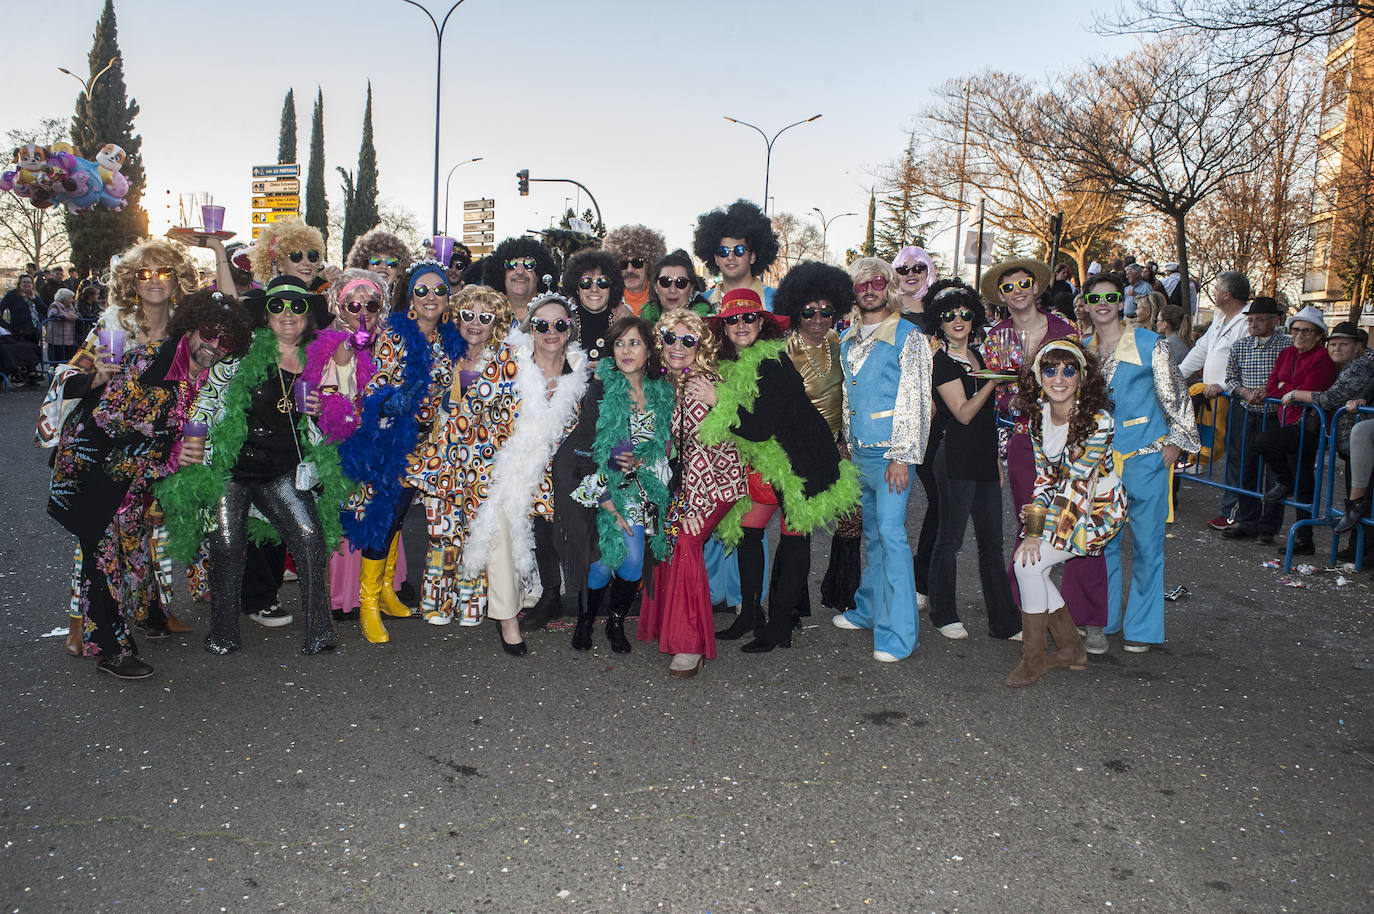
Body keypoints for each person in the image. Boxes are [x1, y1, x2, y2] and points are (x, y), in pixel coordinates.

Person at [48, 290, 251, 678]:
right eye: (209, 332)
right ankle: (111, 650)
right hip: (95, 466)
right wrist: (172, 453)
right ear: (191, 325)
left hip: (134, 473)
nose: (214, 345)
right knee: (104, 557)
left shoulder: (205, 374)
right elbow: (106, 421)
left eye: (226, 341)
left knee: (136, 547)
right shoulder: (150, 360)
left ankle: (150, 616)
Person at [159, 277, 350, 656]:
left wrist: (321, 409)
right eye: (279, 306)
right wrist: (188, 444)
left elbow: (341, 408)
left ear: (308, 315)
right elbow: (204, 402)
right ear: (267, 314)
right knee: (227, 546)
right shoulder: (241, 356)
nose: (288, 315)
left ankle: (319, 632)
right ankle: (223, 633)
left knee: (310, 540)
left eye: (298, 306)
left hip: (281, 471)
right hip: (233, 470)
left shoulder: (318, 359)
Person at [40, 238, 200, 653]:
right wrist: (95, 378)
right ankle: (86, 627)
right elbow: (67, 378)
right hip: (99, 446)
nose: (154, 281)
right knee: (99, 537)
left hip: (147, 453)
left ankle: (148, 613)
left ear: (177, 278)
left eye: (163, 271)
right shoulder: (115, 325)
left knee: (136, 530)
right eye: (144, 273)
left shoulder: (185, 331)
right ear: (131, 280)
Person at [698, 287, 859, 653]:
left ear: (762, 324)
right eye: (732, 319)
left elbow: (756, 428)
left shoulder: (773, 362)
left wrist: (716, 400)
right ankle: (750, 614)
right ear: (723, 327)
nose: (741, 324)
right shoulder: (733, 364)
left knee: (794, 540)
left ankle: (781, 625)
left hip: (803, 462)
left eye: (749, 317)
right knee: (748, 531)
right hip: (768, 461)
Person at [340, 259, 467, 643]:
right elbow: (371, 384)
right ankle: (368, 605)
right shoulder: (394, 333)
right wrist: (392, 401)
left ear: (448, 297)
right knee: (383, 515)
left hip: (427, 442)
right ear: (410, 296)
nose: (431, 297)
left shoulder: (451, 338)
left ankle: (387, 592)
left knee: (397, 518)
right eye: (422, 290)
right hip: (389, 438)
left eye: (439, 290)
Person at [457, 292, 592, 653]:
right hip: (506, 467)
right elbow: (474, 411)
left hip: (556, 476)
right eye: (542, 324)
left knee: (554, 539)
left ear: (570, 329)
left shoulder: (582, 371)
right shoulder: (509, 361)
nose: (551, 332)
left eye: (559, 324)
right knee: (499, 533)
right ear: (530, 328)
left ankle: (560, 599)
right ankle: (506, 621)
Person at [980, 257, 1107, 633]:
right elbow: (992, 394)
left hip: (1070, 434)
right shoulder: (995, 337)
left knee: (1082, 526)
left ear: (1036, 287)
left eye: (1024, 284)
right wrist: (1013, 404)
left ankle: (1087, 619)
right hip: (1022, 440)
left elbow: (1084, 377)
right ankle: (1030, 610)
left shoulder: (1064, 328)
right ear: (1001, 296)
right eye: (1008, 287)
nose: (1018, 292)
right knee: (1030, 521)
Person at [1083, 272, 1199, 653]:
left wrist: (1175, 446)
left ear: (1122, 302)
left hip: (1147, 458)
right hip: (1101, 462)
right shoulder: (1083, 350)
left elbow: (1177, 397)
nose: (1103, 303)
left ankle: (1143, 629)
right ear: (1084, 303)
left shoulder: (1152, 345)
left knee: (1148, 547)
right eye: (1094, 297)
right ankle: (1105, 620)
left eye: (1111, 296)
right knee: (1104, 545)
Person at [831, 257, 934, 662]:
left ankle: (899, 634)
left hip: (891, 456)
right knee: (871, 535)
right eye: (861, 285)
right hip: (858, 454)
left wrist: (903, 457)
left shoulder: (909, 337)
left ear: (889, 287)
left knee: (891, 537)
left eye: (876, 282)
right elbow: (847, 397)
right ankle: (869, 609)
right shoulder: (849, 338)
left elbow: (916, 401)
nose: (869, 290)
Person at [1008, 339, 1124, 686]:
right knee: (1034, 568)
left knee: (1026, 563)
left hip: (1098, 511)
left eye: (1069, 370)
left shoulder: (1098, 421)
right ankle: (1071, 648)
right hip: (1066, 503)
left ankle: (1034, 659)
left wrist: (1033, 532)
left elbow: (1077, 480)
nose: (1059, 378)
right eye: (1050, 369)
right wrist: (1034, 526)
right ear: (1038, 376)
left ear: (1082, 377)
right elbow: (1045, 478)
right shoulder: (1039, 419)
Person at [638, 308, 746, 678]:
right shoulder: (667, 381)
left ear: (700, 345)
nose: (678, 347)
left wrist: (693, 506)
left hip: (716, 483)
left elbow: (704, 451)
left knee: (685, 540)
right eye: (670, 339)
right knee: (662, 536)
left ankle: (689, 644)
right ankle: (665, 626)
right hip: (684, 483)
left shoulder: (701, 383)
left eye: (688, 340)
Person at [407, 285, 519, 627]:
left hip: (482, 462)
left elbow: (512, 412)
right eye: (468, 315)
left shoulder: (506, 360)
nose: (474, 324)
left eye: (484, 318)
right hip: (440, 458)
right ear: (456, 317)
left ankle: (471, 605)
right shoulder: (439, 352)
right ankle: (436, 604)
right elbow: (421, 405)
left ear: (495, 323)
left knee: (476, 534)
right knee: (442, 533)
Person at [301, 268, 409, 622]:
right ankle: (346, 596)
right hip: (350, 444)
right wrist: (351, 344)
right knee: (351, 514)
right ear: (339, 307)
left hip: (388, 442)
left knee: (387, 512)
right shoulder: (335, 344)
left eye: (371, 304)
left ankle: (384, 589)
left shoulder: (394, 342)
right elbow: (336, 388)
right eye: (352, 305)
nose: (363, 312)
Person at [922, 279, 1021, 641]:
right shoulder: (941, 362)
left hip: (982, 457)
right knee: (950, 539)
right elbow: (963, 413)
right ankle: (943, 612)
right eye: (949, 316)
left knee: (991, 541)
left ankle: (1004, 622)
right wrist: (992, 383)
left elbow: (986, 419)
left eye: (965, 314)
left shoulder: (979, 355)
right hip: (955, 459)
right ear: (940, 322)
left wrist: (996, 457)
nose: (958, 321)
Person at [570, 316, 675, 651]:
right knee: (602, 565)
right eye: (619, 343)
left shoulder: (659, 391)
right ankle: (585, 620)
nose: (626, 350)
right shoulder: (600, 389)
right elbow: (585, 454)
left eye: (634, 343)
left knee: (631, 564)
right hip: (595, 486)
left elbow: (652, 444)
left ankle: (616, 621)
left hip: (636, 488)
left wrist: (643, 458)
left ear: (649, 350)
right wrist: (606, 503)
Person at [772, 262, 861, 614]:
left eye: (826, 310)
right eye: (809, 311)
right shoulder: (783, 349)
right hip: (798, 448)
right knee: (799, 528)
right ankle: (791, 606)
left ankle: (842, 593)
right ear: (796, 310)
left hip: (838, 443)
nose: (818, 318)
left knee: (851, 521)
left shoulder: (841, 344)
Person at [1228, 306, 1338, 554]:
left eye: (1307, 331)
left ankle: (1288, 493)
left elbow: (1311, 389)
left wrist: (1289, 388)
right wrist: (1288, 388)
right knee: (1302, 480)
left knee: (1266, 444)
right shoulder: (1287, 353)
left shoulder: (1322, 358)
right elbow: (1274, 386)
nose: (1300, 335)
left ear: (1319, 335)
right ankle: (1303, 538)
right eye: (1296, 330)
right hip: (1287, 419)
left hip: (1309, 426)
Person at [1261, 317, 1373, 554]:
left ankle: (1362, 550)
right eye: (1333, 344)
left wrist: (1294, 393)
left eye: (1343, 344)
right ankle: (1358, 548)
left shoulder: (1358, 367)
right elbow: (1273, 387)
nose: (1337, 349)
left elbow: (1329, 397)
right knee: (1359, 492)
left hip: (1356, 439)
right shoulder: (1342, 366)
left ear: (1357, 347)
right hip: (1345, 440)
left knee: (1363, 494)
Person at [1217, 297, 1292, 546]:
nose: (1253, 324)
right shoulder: (1240, 346)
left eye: (1259, 319)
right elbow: (1230, 378)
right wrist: (1244, 392)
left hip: (1276, 416)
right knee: (1246, 468)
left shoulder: (1287, 346)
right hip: (1249, 412)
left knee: (1274, 475)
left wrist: (1270, 391)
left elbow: (1291, 379)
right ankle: (1248, 521)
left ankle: (1268, 527)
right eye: (1250, 320)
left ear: (1275, 320)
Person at [693, 200, 779, 311]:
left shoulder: (776, 301)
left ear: (752, 256)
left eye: (739, 250)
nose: (730, 257)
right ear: (716, 258)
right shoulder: (703, 304)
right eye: (723, 251)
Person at [560, 248, 631, 359]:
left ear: (611, 287)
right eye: (585, 282)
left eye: (603, 282)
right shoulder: (563, 324)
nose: (594, 289)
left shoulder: (625, 323)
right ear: (576, 288)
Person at [483, 237, 556, 324]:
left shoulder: (555, 312)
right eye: (512, 264)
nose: (520, 272)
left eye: (529, 264)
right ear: (502, 274)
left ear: (539, 274)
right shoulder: (486, 313)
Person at [601, 224, 667, 316]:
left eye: (637, 263)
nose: (629, 270)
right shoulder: (605, 300)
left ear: (649, 265)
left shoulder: (664, 298)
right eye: (623, 264)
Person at [642, 249, 708, 325]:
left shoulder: (709, 325)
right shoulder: (642, 328)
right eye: (665, 281)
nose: (673, 290)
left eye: (681, 282)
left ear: (691, 289)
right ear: (656, 287)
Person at [345, 227, 413, 287]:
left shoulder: (409, 300)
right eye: (375, 260)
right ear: (364, 266)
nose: (383, 266)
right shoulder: (350, 298)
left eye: (392, 262)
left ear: (398, 271)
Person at [892, 245, 935, 320]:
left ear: (928, 272)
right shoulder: (884, 313)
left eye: (918, 268)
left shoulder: (940, 314)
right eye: (903, 270)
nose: (910, 274)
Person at [46, 287, 81, 362]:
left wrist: (74, 316)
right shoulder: (55, 306)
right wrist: (67, 317)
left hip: (69, 338)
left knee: (68, 357)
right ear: (63, 298)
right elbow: (52, 315)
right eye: (70, 298)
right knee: (57, 358)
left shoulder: (71, 307)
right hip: (56, 337)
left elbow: (77, 315)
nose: (72, 300)